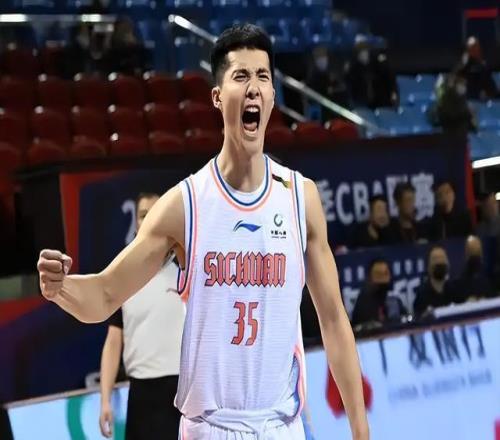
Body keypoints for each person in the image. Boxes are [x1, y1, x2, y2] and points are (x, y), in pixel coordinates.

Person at [36, 24, 369, 440]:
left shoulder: (301, 198)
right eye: (241, 76)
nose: (254, 88)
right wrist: (61, 287)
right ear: (217, 96)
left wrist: (361, 430)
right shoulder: (185, 205)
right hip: (211, 429)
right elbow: (104, 295)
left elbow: (334, 321)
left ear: (272, 96)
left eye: (263, 77)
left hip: (281, 426)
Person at [99, 193, 184, 439]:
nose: (149, 219)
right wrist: (105, 400)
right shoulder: (123, 278)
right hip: (142, 394)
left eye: (155, 213)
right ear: (136, 222)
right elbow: (113, 342)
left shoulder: (187, 269)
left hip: (184, 392)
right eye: (143, 214)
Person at [344, 35, 398, 109]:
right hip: (362, 103)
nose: (363, 52)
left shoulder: (378, 63)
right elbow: (349, 85)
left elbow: (390, 77)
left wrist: (393, 92)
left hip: (381, 101)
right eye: (360, 50)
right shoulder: (353, 68)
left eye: (364, 49)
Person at [351, 259, 407, 327]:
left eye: (384, 274)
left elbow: (404, 320)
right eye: (378, 275)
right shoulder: (364, 302)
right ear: (369, 278)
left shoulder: (394, 300)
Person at [413, 246, 454, 317]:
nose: (440, 267)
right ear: (429, 267)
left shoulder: (454, 290)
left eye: (442, 265)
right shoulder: (422, 295)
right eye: (437, 265)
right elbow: (418, 319)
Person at [452, 235, 494, 302]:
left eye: (477, 252)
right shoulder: (459, 284)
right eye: (472, 251)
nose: (474, 254)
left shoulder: (487, 281)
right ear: (467, 254)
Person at [455, 36, 497, 101]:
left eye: (477, 49)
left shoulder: (484, 67)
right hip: (468, 98)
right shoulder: (464, 66)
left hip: (479, 98)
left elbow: (492, 90)